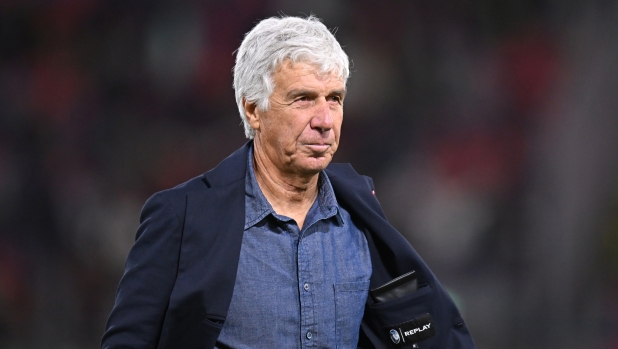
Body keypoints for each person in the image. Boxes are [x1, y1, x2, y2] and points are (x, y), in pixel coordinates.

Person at [101, 16, 475, 349]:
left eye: (335, 98)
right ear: (253, 108)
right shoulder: (181, 215)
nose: (325, 120)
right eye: (303, 99)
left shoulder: (362, 218)